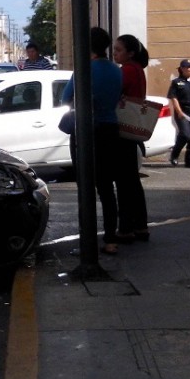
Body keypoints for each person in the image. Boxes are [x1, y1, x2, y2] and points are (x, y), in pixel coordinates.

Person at [62, 27, 123, 254]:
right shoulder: (116, 70)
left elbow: (66, 97)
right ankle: (110, 239)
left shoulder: (84, 69)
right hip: (110, 129)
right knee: (107, 187)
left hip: (87, 131)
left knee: (85, 187)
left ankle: (87, 240)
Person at [112, 34, 150, 243]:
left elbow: (115, 92)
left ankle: (125, 228)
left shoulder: (127, 70)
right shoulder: (138, 70)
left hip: (123, 131)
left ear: (130, 53)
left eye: (118, 50)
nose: (115, 53)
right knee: (132, 182)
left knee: (125, 182)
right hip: (133, 130)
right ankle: (140, 226)